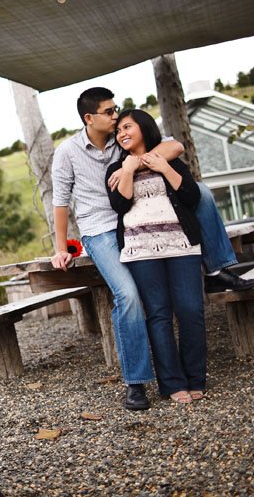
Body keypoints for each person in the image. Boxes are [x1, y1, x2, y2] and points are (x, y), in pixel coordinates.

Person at [51, 87, 254, 410]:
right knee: (130, 297)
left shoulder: (122, 142)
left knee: (200, 192)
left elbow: (173, 145)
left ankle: (218, 267)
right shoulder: (68, 151)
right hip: (100, 229)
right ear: (89, 118)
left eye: (118, 112)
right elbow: (60, 202)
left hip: (134, 219)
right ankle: (136, 383)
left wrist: (131, 164)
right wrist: (61, 247)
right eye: (109, 113)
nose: (116, 117)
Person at [106, 109, 205, 404]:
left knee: (191, 311)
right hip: (141, 251)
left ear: (144, 127)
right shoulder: (116, 167)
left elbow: (191, 197)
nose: (122, 134)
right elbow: (120, 205)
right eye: (118, 131)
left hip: (182, 245)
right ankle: (173, 383)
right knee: (159, 315)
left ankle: (196, 377)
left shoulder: (169, 157)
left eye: (127, 127)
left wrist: (164, 167)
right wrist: (128, 169)